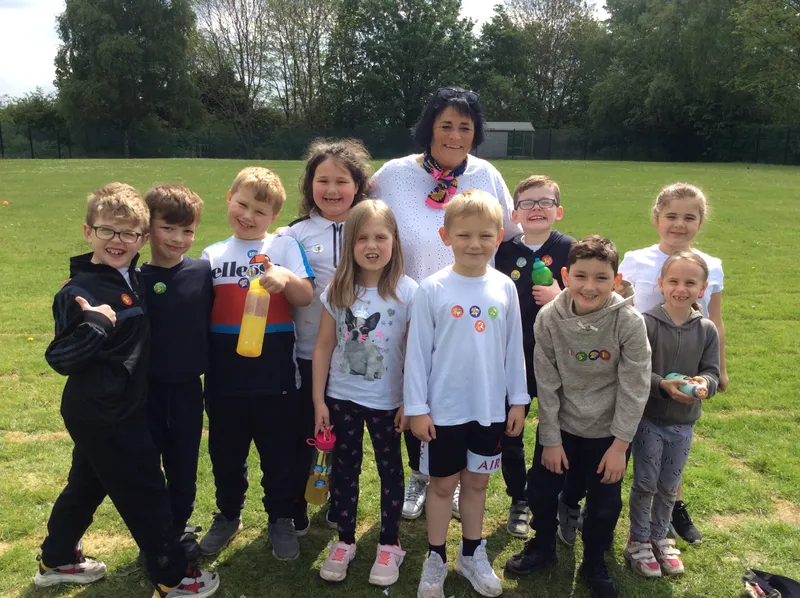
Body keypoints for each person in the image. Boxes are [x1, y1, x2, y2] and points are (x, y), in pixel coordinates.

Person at [35, 183, 219, 597]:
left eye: (129, 234)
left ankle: (57, 557)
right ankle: (172, 578)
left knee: (87, 481)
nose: (118, 241)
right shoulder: (79, 291)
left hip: (118, 405)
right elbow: (60, 358)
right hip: (106, 412)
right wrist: (96, 326)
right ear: (89, 232)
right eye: (108, 232)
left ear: (142, 237)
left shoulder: (130, 275)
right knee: (147, 492)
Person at [371, 86, 519, 521]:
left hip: (471, 309)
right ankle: (425, 474)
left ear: (476, 133)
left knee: (459, 390)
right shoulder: (394, 175)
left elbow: (509, 233)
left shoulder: (487, 176)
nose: (455, 136)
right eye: (446, 126)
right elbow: (360, 222)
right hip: (410, 308)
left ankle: (453, 477)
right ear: (429, 128)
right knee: (415, 391)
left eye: (465, 127)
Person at [505, 235, 651, 598]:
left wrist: (620, 446)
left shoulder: (630, 323)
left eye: (601, 278)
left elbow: (634, 387)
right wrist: (551, 440)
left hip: (609, 431)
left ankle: (595, 560)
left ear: (615, 281)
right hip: (563, 425)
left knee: (604, 504)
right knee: (541, 489)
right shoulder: (549, 318)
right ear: (566, 275)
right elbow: (548, 383)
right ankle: (542, 546)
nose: (590, 286)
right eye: (581, 276)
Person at [405, 190, 529, 598]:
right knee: (442, 487)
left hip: (490, 409)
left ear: (498, 237)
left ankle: (472, 553)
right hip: (443, 412)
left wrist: (518, 400)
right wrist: (418, 409)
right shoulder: (432, 289)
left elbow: (514, 348)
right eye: (464, 235)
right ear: (446, 237)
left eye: (484, 235)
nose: (474, 244)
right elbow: (418, 355)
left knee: (476, 484)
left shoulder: (504, 288)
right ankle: (436, 557)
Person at [198, 167, 314, 561]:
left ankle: (280, 517)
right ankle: (228, 515)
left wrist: (286, 279)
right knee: (225, 455)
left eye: (259, 211)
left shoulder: (282, 248)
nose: (248, 216)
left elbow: (305, 296)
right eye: (242, 204)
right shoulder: (211, 255)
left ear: (273, 218)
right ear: (229, 197)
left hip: (275, 377)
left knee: (278, 455)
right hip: (224, 378)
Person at [311, 200, 417, 586]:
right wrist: (319, 400)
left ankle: (390, 544)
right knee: (345, 470)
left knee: (391, 473)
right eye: (362, 238)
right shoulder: (337, 290)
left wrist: (410, 399)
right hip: (342, 399)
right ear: (350, 245)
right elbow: (323, 347)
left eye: (380, 237)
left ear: (394, 242)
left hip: (388, 404)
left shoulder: (408, 292)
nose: (372, 246)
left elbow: (415, 354)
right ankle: (344, 540)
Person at [618, 182, 726, 545]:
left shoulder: (710, 265)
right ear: (656, 218)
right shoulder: (635, 258)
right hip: (640, 364)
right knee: (627, 435)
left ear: (701, 221)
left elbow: (715, 318)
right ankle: (603, 504)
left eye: (689, 217)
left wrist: (719, 369)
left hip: (684, 367)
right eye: (671, 216)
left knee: (670, 441)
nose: (679, 224)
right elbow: (621, 306)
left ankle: (672, 508)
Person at [283, 138, 373, 534]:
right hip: (307, 351)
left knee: (346, 435)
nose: (332, 190)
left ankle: (340, 497)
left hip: (357, 355)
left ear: (358, 185)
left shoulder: (372, 228)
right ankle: (302, 499)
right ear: (310, 185)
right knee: (306, 430)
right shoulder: (294, 234)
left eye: (342, 181)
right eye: (323, 181)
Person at [624, 251, 720, 578]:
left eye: (690, 282)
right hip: (649, 420)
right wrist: (663, 385)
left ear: (703, 288)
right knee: (646, 483)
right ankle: (638, 539)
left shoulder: (706, 330)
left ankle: (660, 537)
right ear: (661, 284)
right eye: (674, 281)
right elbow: (636, 371)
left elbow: (711, 371)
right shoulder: (646, 323)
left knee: (669, 485)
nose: (681, 288)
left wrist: (704, 383)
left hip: (684, 424)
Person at [494, 175, 574, 539]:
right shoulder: (504, 251)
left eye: (545, 202)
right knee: (509, 430)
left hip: (559, 359)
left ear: (558, 210)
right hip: (512, 357)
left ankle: (551, 494)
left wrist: (563, 295)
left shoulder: (572, 250)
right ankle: (519, 497)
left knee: (553, 428)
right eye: (528, 203)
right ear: (515, 213)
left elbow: (594, 301)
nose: (537, 208)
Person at [139, 184, 213, 563]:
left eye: (187, 231)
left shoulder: (202, 271)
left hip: (187, 391)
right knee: (148, 470)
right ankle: (155, 538)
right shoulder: (135, 280)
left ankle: (179, 527)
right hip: (145, 394)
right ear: (148, 227)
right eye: (168, 228)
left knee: (184, 468)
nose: (178, 238)